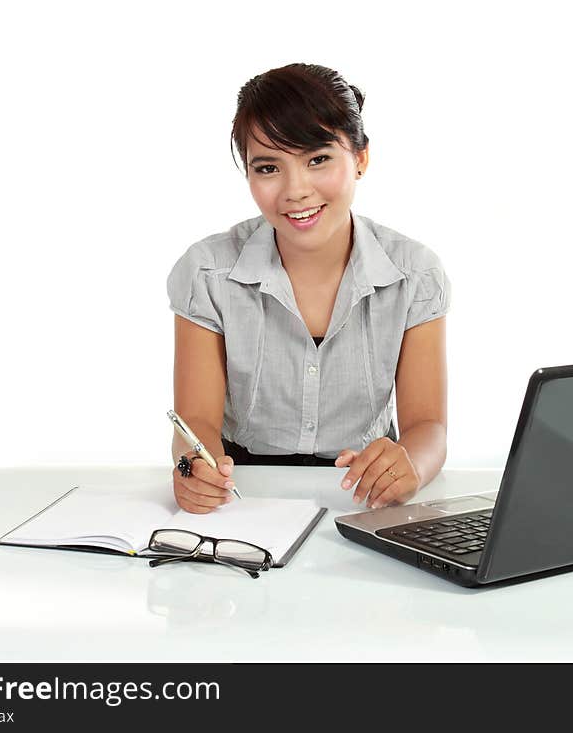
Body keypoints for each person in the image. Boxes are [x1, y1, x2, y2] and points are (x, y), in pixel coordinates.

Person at [167, 63, 450, 514]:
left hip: (366, 490)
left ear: (360, 158)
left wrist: (410, 464)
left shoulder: (413, 274)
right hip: (243, 491)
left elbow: (428, 424)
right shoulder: (208, 272)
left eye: (318, 159)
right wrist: (192, 467)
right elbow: (195, 420)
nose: (296, 190)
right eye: (268, 167)